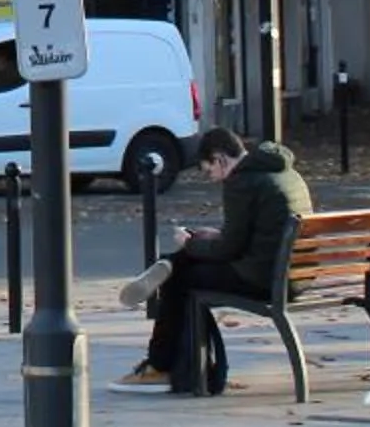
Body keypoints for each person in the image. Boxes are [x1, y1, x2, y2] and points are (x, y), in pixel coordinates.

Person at [115, 125, 312, 394]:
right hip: (297, 275)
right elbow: (255, 233)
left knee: (179, 280)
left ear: (220, 159)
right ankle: (171, 263)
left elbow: (228, 251)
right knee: (187, 264)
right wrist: (212, 237)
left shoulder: (241, 181)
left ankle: (160, 366)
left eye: (209, 171)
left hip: (265, 278)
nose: (213, 178)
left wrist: (192, 243)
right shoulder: (285, 173)